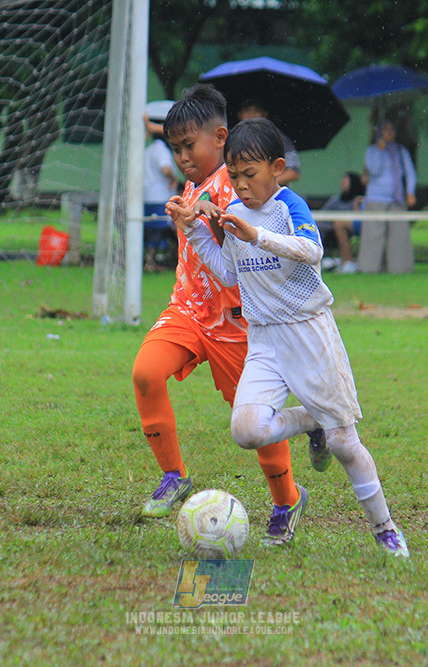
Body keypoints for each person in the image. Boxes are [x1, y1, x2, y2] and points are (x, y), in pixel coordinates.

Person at [168, 117, 409, 556]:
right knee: (246, 430)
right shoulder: (235, 212)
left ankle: (386, 530)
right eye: (234, 176)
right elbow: (228, 273)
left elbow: (312, 250)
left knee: (344, 444)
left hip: (309, 333)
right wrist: (194, 228)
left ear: (276, 168)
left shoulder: (288, 206)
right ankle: (313, 420)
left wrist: (258, 236)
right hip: (264, 339)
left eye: (250, 174)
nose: (241, 185)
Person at [132, 84, 305, 547]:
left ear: (220, 137)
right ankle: (174, 476)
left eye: (189, 146)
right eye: (175, 149)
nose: (182, 157)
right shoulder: (191, 188)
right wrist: (187, 213)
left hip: (236, 324)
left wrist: (216, 216)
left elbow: (251, 231)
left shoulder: (239, 182)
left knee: (255, 425)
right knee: (146, 372)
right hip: (188, 310)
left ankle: (287, 501)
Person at [359, 120, 417, 274]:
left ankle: (399, 269)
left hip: (396, 199)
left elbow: (410, 172)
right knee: (373, 236)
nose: (390, 132)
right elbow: (374, 170)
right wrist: (380, 151)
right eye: (385, 129)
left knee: (399, 236)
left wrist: (410, 191)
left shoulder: (401, 151)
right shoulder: (371, 151)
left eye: (392, 129)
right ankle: (369, 269)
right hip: (376, 198)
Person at [142, 101, 179, 272]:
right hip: (160, 196)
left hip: (147, 196)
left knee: (151, 230)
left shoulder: (148, 149)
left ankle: (150, 261)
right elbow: (165, 168)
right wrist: (174, 178)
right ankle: (175, 259)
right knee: (168, 229)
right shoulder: (161, 149)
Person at [237, 100, 300, 187]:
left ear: (264, 114)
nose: (251, 115)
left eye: (256, 111)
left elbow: (294, 172)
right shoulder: (231, 140)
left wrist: (264, 183)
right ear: (239, 114)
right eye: (247, 111)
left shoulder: (277, 138)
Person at [318, 171, 365, 274]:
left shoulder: (358, 199)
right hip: (329, 226)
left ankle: (348, 260)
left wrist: (356, 204)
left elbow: (358, 216)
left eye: (345, 181)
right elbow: (323, 213)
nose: (342, 184)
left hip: (349, 227)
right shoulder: (336, 199)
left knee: (338, 225)